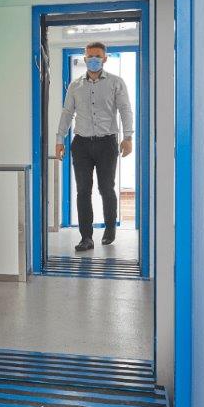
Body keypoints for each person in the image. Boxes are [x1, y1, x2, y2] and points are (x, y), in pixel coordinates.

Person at [54, 41, 133, 251]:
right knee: (83, 191)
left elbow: (125, 109)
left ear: (105, 58)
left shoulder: (116, 82)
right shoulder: (75, 85)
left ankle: (110, 227)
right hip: (81, 144)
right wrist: (60, 140)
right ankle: (86, 237)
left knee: (106, 188)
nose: (93, 60)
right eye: (90, 56)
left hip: (107, 143)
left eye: (97, 56)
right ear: (85, 58)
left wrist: (128, 137)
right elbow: (67, 113)